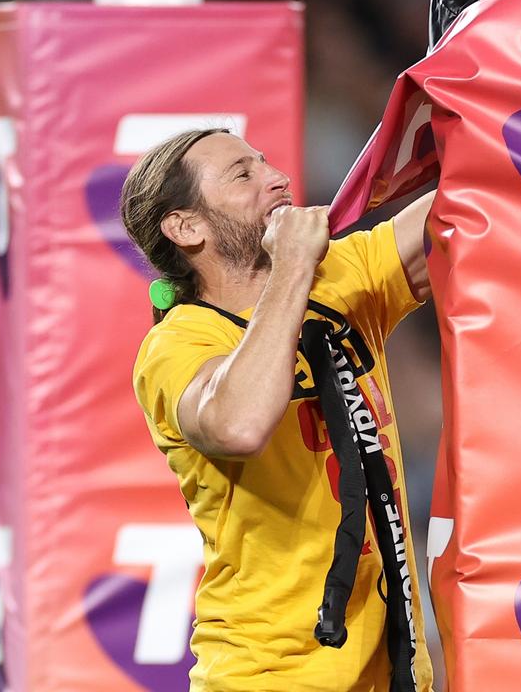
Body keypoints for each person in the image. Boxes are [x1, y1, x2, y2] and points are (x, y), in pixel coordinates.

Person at [121, 128, 436, 691]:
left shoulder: (340, 276)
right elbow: (237, 425)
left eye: (265, 161)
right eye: (243, 174)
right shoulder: (178, 345)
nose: (278, 177)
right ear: (186, 227)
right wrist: (291, 267)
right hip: (268, 676)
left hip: (394, 673)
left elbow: (476, 198)